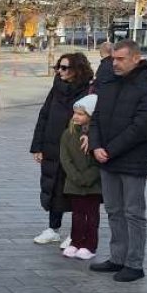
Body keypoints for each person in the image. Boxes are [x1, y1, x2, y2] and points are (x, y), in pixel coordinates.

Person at [88, 39, 147, 282]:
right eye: (113, 59)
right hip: (106, 157)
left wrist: (110, 149)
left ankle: (134, 263)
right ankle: (117, 257)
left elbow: (142, 127)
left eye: (120, 59)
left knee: (133, 213)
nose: (115, 63)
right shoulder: (109, 82)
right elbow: (96, 116)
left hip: (132, 161)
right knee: (113, 210)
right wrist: (97, 145)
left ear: (135, 58)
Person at [31, 52, 93, 246]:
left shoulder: (89, 90)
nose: (60, 71)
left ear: (77, 70)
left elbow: (93, 118)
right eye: (59, 67)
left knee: (73, 189)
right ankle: (53, 228)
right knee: (52, 186)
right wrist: (37, 146)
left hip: (75, 149)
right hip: (52, 145)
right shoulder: (56, 88)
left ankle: (76, 233)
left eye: (64, 68)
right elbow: (44, 116)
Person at [59, 94, 101, 259]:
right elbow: (65, 158)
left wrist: (89, 177)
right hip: (74, 183)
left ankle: (90, 245)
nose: (76, 116)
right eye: (75, 113)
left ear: (90, 116)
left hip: (93, 184)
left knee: (91, 216)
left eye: (81, 114)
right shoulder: (67, 134)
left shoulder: (96, 136)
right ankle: (75, 242)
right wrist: (75, 177)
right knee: (77, 215)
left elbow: (98, 160)